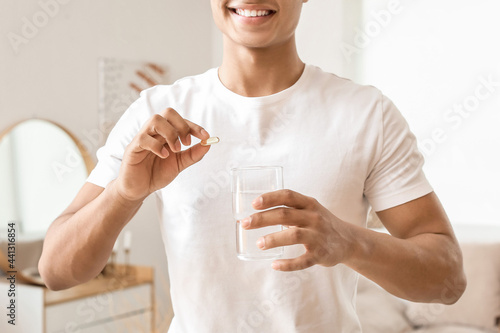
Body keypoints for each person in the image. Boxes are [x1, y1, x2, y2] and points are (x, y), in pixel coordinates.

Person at [39, 1, 466, 332]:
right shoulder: (155, 114)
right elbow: (55, 271)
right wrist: (124, 194)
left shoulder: (367, 114)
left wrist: (351, 242)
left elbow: (448, 279)